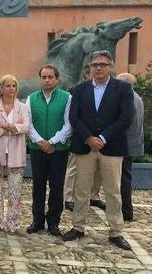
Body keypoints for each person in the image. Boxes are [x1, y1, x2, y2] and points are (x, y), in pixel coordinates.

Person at [62, 50, 134, 250]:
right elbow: (74, 118)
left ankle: (116, 231)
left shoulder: (122, 89)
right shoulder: (79, 89)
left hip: (111, 147)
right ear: (90, 68)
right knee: (81, 189)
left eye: (102, 64)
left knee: (113, 191)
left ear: (110, 66)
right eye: (95, 65)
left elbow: (126, 118)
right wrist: (88, 138)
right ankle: (78, 227)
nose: (98, 68)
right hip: (85, 147)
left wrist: (102, 138)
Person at [25, 65, 72, 237]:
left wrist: (52, 141)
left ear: (56, 79)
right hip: (38, 150)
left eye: (50, 77)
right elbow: (28, 124)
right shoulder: (31, 98)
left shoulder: (67, 98)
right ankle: (37, 221)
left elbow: (69, 125)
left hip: (58, 150)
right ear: (40, 79)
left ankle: (53, 222)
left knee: (56, 187)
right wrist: (40, 142)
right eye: (43, 77)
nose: (47, 80)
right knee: (37, 186)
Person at [0, 75, 29, 233]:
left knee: (15, 190)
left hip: (16, 153)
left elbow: (25, 127)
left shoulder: (22, 107)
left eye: (14, 86)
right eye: (8, 86)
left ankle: (13, 223)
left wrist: (6, 125)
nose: (11, 89)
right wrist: (11, 130)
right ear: (1, 88)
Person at [63, 64, 105, 212]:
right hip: (81, 135)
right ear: (86, 75)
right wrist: (86, 135)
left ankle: (94, 195)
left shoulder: (106, 91)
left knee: (98, 170)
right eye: (92, 72)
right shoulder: (76, 91)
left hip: (101, 139)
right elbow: (73, 115)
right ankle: (68, 197)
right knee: (73, 168)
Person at [114, 72, 144, 222]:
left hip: (125, 144)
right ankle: (124, 208)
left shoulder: (129, 99)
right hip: (131, 144)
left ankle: (126, 210)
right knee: (124, 176)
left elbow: (123, 124)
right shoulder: (136, 97)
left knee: (123, 178)